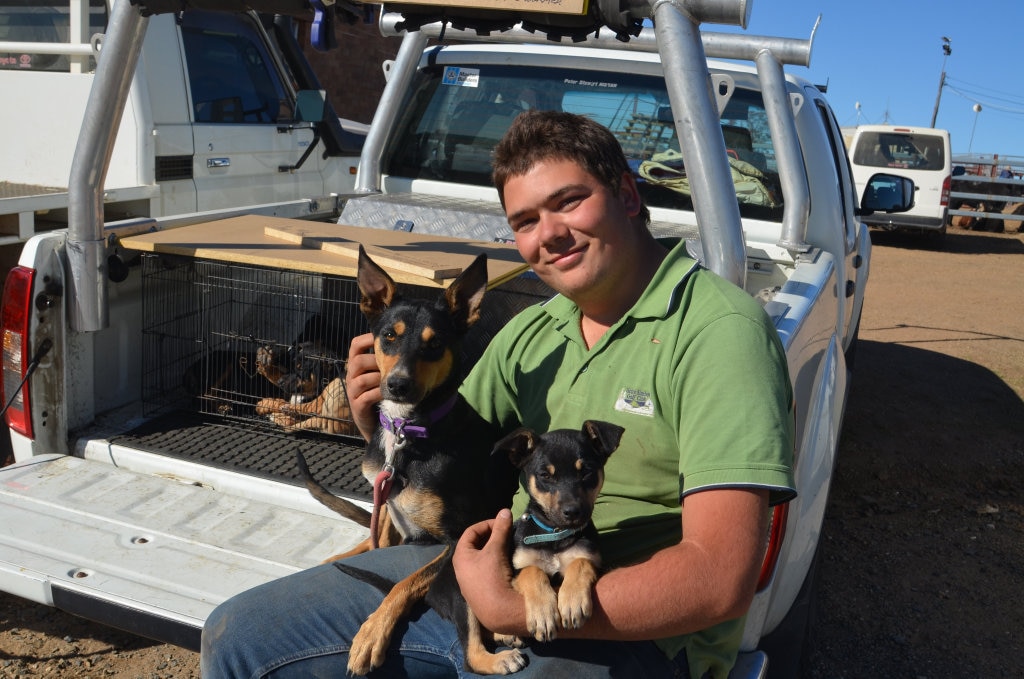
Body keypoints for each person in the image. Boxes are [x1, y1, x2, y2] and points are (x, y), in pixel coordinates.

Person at [200, 110, 795, 679]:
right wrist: (376, 421)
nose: (551, 234)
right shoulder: (535, 330)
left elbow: (719, 580)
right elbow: (448, 459)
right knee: (239, 632)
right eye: (526, 221)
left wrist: (507, 608)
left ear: (628, 195)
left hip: (635, 639)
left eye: (569, 201)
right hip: (487, 574)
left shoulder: (719, 334)